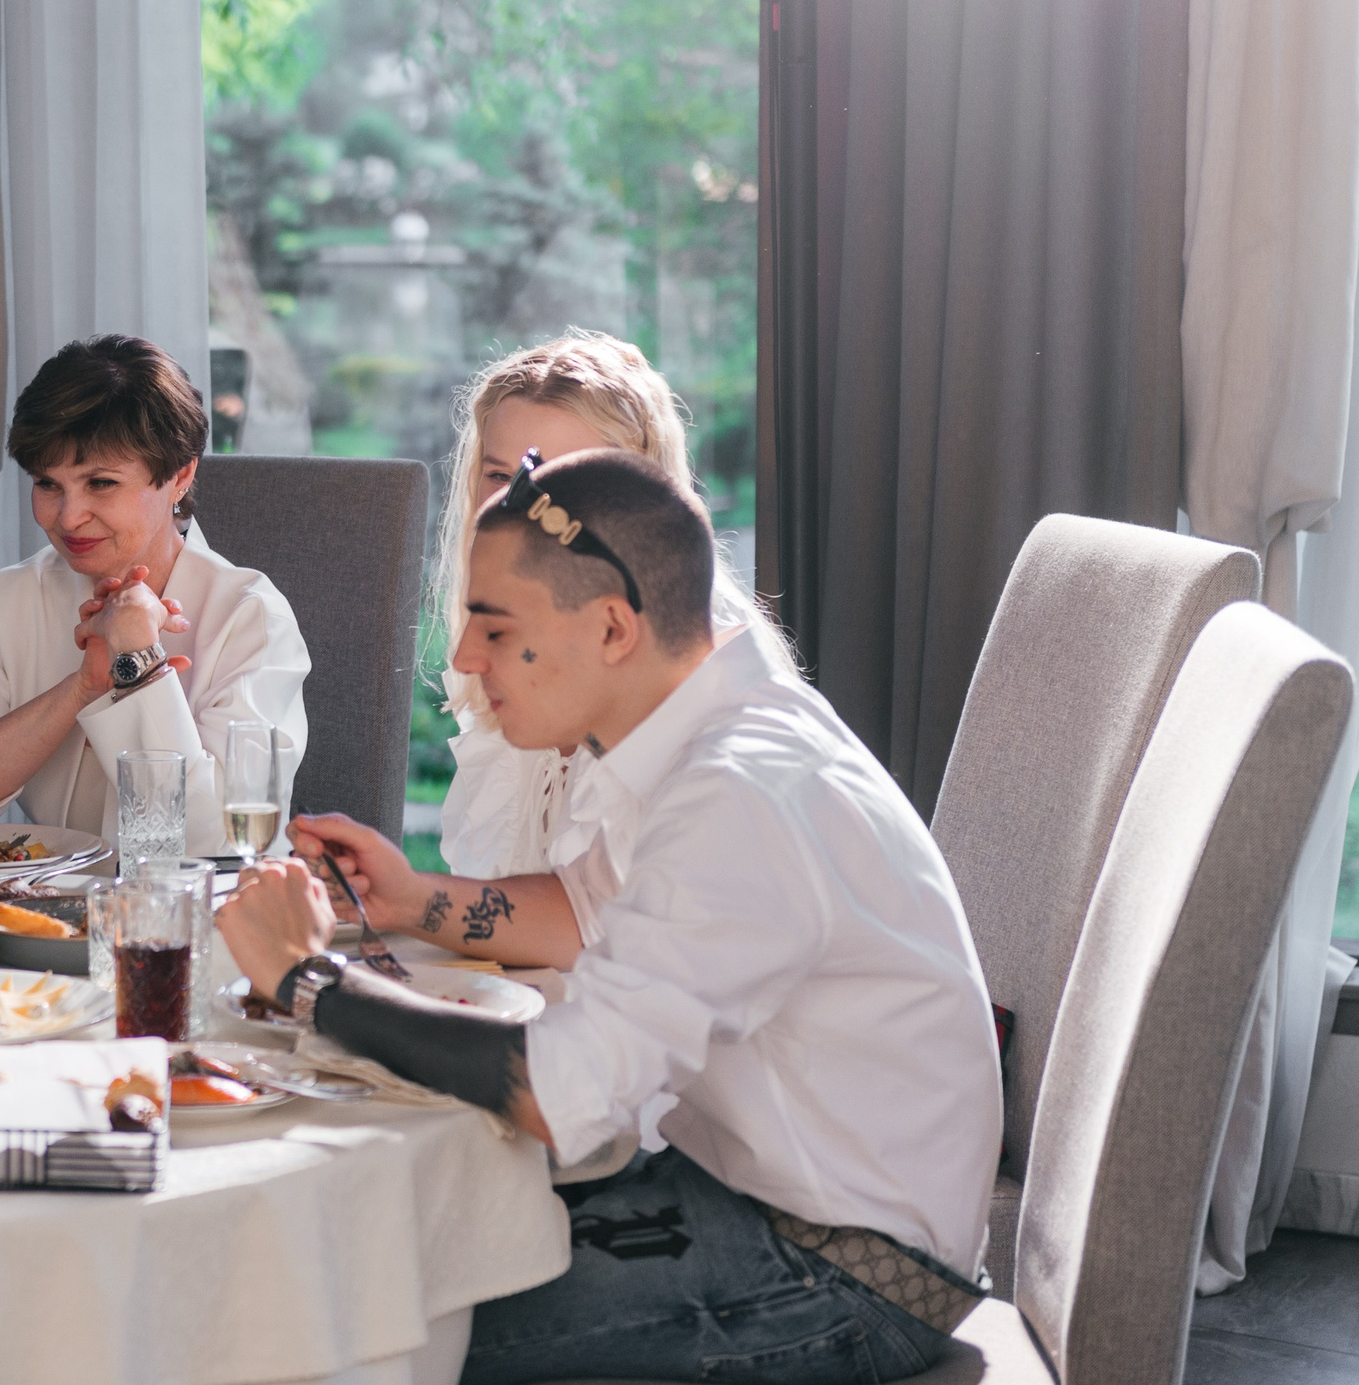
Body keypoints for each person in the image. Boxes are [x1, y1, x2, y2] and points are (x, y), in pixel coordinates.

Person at [217, 449, 1000, 1384]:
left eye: (495, 628)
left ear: (615, 628)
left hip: (844, 1274)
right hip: (741, 1195)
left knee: (337, 1322)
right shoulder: (698, 725)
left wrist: (312, 984)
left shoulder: (739, 793)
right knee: (346, 1254)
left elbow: (565, 1096)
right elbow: (586, 912)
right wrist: (411, 897)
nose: (463, 657)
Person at [0, 336, 308, 852]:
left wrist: (139, 662)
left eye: (100, 483)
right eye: (47, 484)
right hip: (49, 915)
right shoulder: (6, 601)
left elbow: (211, 842)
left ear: (180, 475)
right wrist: (81, 687)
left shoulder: (250, 615)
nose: (68, 517)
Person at [431, 332, 792, 892]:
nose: (519, 509)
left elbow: (609, 933)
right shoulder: (513, 653)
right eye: (502, 477)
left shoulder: (701, 675)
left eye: (560, 480)